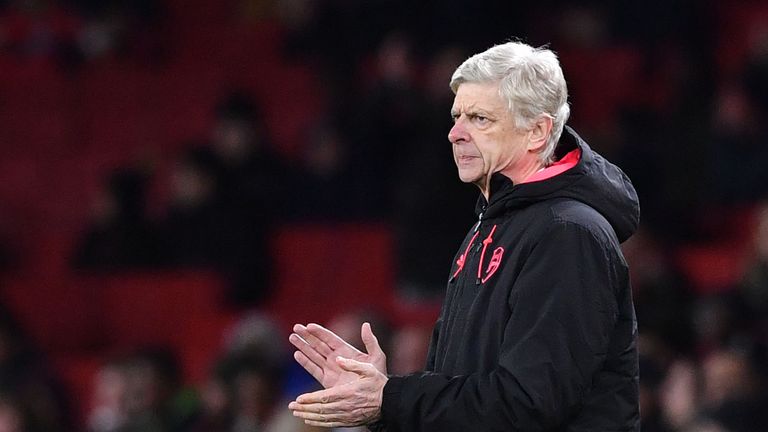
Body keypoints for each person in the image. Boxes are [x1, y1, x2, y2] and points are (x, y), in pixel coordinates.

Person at [287, 41, 641, 431]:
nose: (455, 133)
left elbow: (529, 404)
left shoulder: (569, 234)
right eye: (456, 116)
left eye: (480, 119)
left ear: (537, 132)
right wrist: (383, 403)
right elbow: (461, 397)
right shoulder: (486, 229)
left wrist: (390, 399)